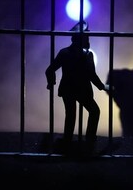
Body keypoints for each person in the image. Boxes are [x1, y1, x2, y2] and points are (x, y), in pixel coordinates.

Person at [45, 21, 110, 154]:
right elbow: (92, 75)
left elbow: (49, 70)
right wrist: (103, 87)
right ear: (83, 39)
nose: (88, 39)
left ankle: (68, 140)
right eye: (87, 36)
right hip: (82, 90)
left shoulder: (64, 52)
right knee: (94, 111)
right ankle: (90, 139)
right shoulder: (87, 55)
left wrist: (51, 83)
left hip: (67, 89)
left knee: (70, 115)